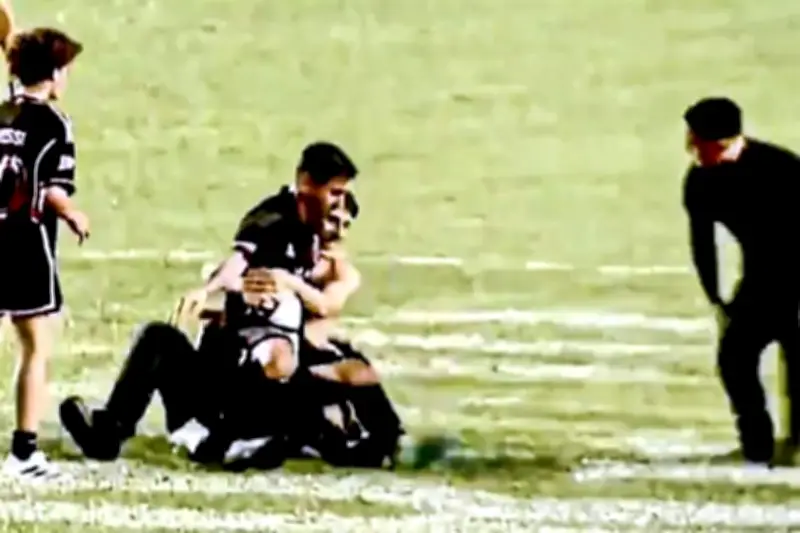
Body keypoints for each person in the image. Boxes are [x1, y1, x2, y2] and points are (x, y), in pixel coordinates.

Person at [59, 143, 358, 463]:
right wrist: (211, 289)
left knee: (313, 359)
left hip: (262, 374)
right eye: (335, 194)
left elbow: (328, 297)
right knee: (162, 339)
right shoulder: (271, 221)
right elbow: (236, 264)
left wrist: (292, 283)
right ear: (306, 184)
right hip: (237, 375)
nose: (339, 209)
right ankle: (112, 432)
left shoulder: (315, 241)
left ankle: (250, 437)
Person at [682, 96, 800, 466]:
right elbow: (702, 243)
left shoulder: (781, 167)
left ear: (717, 141)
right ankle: (758, 444)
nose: (689, 146)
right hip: (762, 278)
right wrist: (717, 299)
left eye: (694, 138)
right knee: (734, 359)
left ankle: (796, 446)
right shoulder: (700, 180)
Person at [0, 28, 89, 479]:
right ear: (53, 75)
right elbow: (51, 189)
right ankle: (24, 451)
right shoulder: (55, 124)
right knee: (35, 345)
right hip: (24, 245)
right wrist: (74, 214)